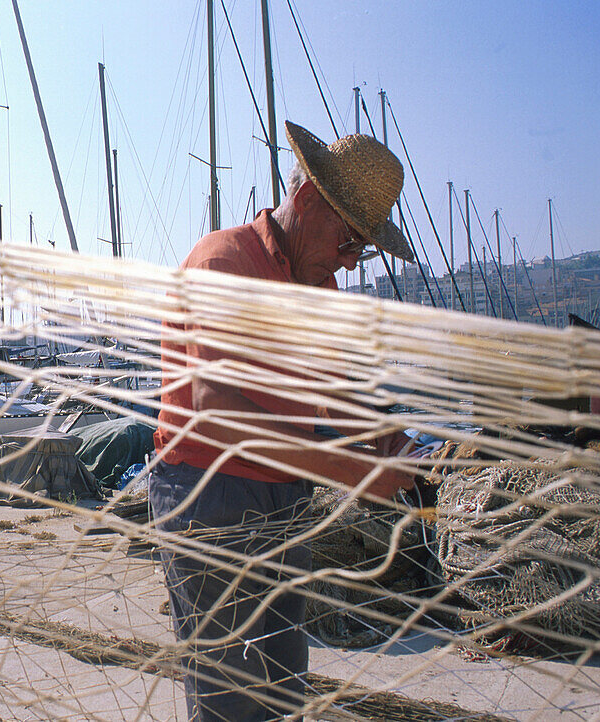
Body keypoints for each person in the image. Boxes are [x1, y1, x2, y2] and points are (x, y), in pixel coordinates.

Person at [150, 121, 417, 721]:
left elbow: (336, 391)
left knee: (281, 685)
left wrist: (389, 435)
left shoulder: (316, 287)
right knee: (229, 696)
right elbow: (218, 416)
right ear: (306, 200)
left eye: (361, 251)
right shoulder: (224, 262)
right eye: (348, 242)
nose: (349, 264)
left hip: (284, 494)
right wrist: (353, 471)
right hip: (207, 494)